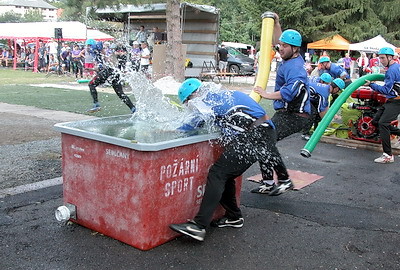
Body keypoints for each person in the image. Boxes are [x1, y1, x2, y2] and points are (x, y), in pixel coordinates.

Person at [169, 78, 290, 241]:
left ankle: (198, 226)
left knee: (217, 174)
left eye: (186, 103)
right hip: (263, 132)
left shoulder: (204, 100)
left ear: (192, 96)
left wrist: (168, 130)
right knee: (225, 175)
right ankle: (234, 217)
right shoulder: (219, 95)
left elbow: (191, 125)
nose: (188, 107)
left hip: (256, 135)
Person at [252, 17, 312, 194]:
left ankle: (284, 180)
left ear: (295, 49)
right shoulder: (290, 57)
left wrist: (266, 94)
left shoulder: (296, 68)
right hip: (286, 113)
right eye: (280, 44)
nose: (280, 48)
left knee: (264, 139)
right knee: (262, 138)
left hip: (296, 116)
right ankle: (269, 181)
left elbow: (290, 92)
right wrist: (276, 24)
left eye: (285, 46)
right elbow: (282, 39)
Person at [364, 47, 400, 163]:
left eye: (383, 58)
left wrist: (372, 85)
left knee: (383, 123)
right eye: (380, 58)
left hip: (396, 101)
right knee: (375, 121)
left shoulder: (392, 70)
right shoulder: (395, 67)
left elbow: (386, 90)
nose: (381, 60)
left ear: (390, 57)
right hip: (392, 100)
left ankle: (388, 155)